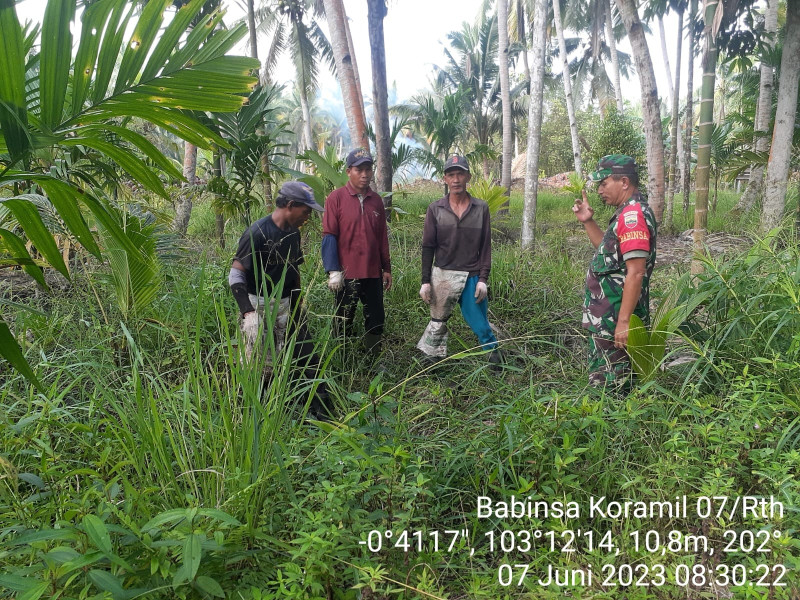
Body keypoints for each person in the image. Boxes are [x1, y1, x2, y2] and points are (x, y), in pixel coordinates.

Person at [228, 181, 332, 418]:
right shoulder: (257, 233)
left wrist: (297, 308)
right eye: (306, 211)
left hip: (287, 303)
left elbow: (293, 272)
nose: (308, 217)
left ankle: (321, 412)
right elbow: (236, 274)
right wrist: (248, 312)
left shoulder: (294, 234)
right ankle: (256, 413)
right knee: (263, 365)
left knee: (307, 355)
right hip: (258, 304)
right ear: (291, 205)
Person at [572, 154, 657, 389]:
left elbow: (636, 272)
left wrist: (624, 322)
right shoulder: (624, 213)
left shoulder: (633, 216)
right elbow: (609, 254)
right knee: (606, 381)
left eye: (604, 183)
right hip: (606, 318)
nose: (600, 190)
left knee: (613, 388)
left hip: (615, 320)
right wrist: (588, 221)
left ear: (624, 183)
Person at [416, 154, 501, 367]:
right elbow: (428, 247)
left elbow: (485, 246)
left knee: (480, 324)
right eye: (451, 175)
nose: (456, 180)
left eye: (460, 174)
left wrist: (483, 279)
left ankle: (496, 362)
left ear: (468, 177)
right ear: (445, 179)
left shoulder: (480, 208)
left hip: (471, 275)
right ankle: (431, 361)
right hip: (443, 274)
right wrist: (425, 281)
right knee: (438, 322)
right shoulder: (435, 209)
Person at [321, 148, 392, 359]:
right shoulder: (336, 198)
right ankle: (342, 359)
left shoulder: (376, 200)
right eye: (359, 169)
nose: (364, 174)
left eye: (368, 169)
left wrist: (386, 268)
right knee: (343, 317)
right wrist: (333, 270)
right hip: (346, 272)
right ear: (348, 171)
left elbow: (381, 238)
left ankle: (373, 358)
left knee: (376, 317)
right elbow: (329, 235)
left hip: (372, 272)